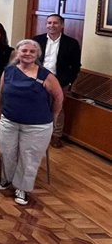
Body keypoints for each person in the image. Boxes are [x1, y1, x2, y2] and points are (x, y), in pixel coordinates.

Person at [0, 39, 64, 205]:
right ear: (17, 53)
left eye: (32, 51)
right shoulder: (8, 71)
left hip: (37, 125)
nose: (28, 54)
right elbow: (1, 94)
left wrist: (54, 116)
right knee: (6, 152)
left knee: (29, 157)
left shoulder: (46, 75)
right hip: (9, 121)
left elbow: (59, 97)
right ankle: (7, 179)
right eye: (24, 51)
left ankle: (22, 188)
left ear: (37, 54)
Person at [33, 14, 81, 148]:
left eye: (55, 23)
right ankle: (37, 133)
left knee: (58, 108)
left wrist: (68, 81)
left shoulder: (71, 43)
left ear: (62, 25)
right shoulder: (37, 40)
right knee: (37, 105)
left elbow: (76, 66)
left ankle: (56, 135)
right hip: (38, 78)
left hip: (60, 80)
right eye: (49, 23)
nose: (51, 26)